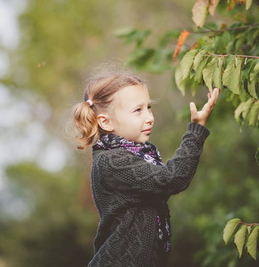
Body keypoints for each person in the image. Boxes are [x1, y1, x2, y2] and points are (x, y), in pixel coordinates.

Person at [72, 70, 219, 267]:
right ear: (105, 122)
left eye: (149, 108)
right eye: (138, 110)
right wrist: (196, 131)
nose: (149, 117)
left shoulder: (137, 155)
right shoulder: (112, 162)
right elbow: (172, 179)